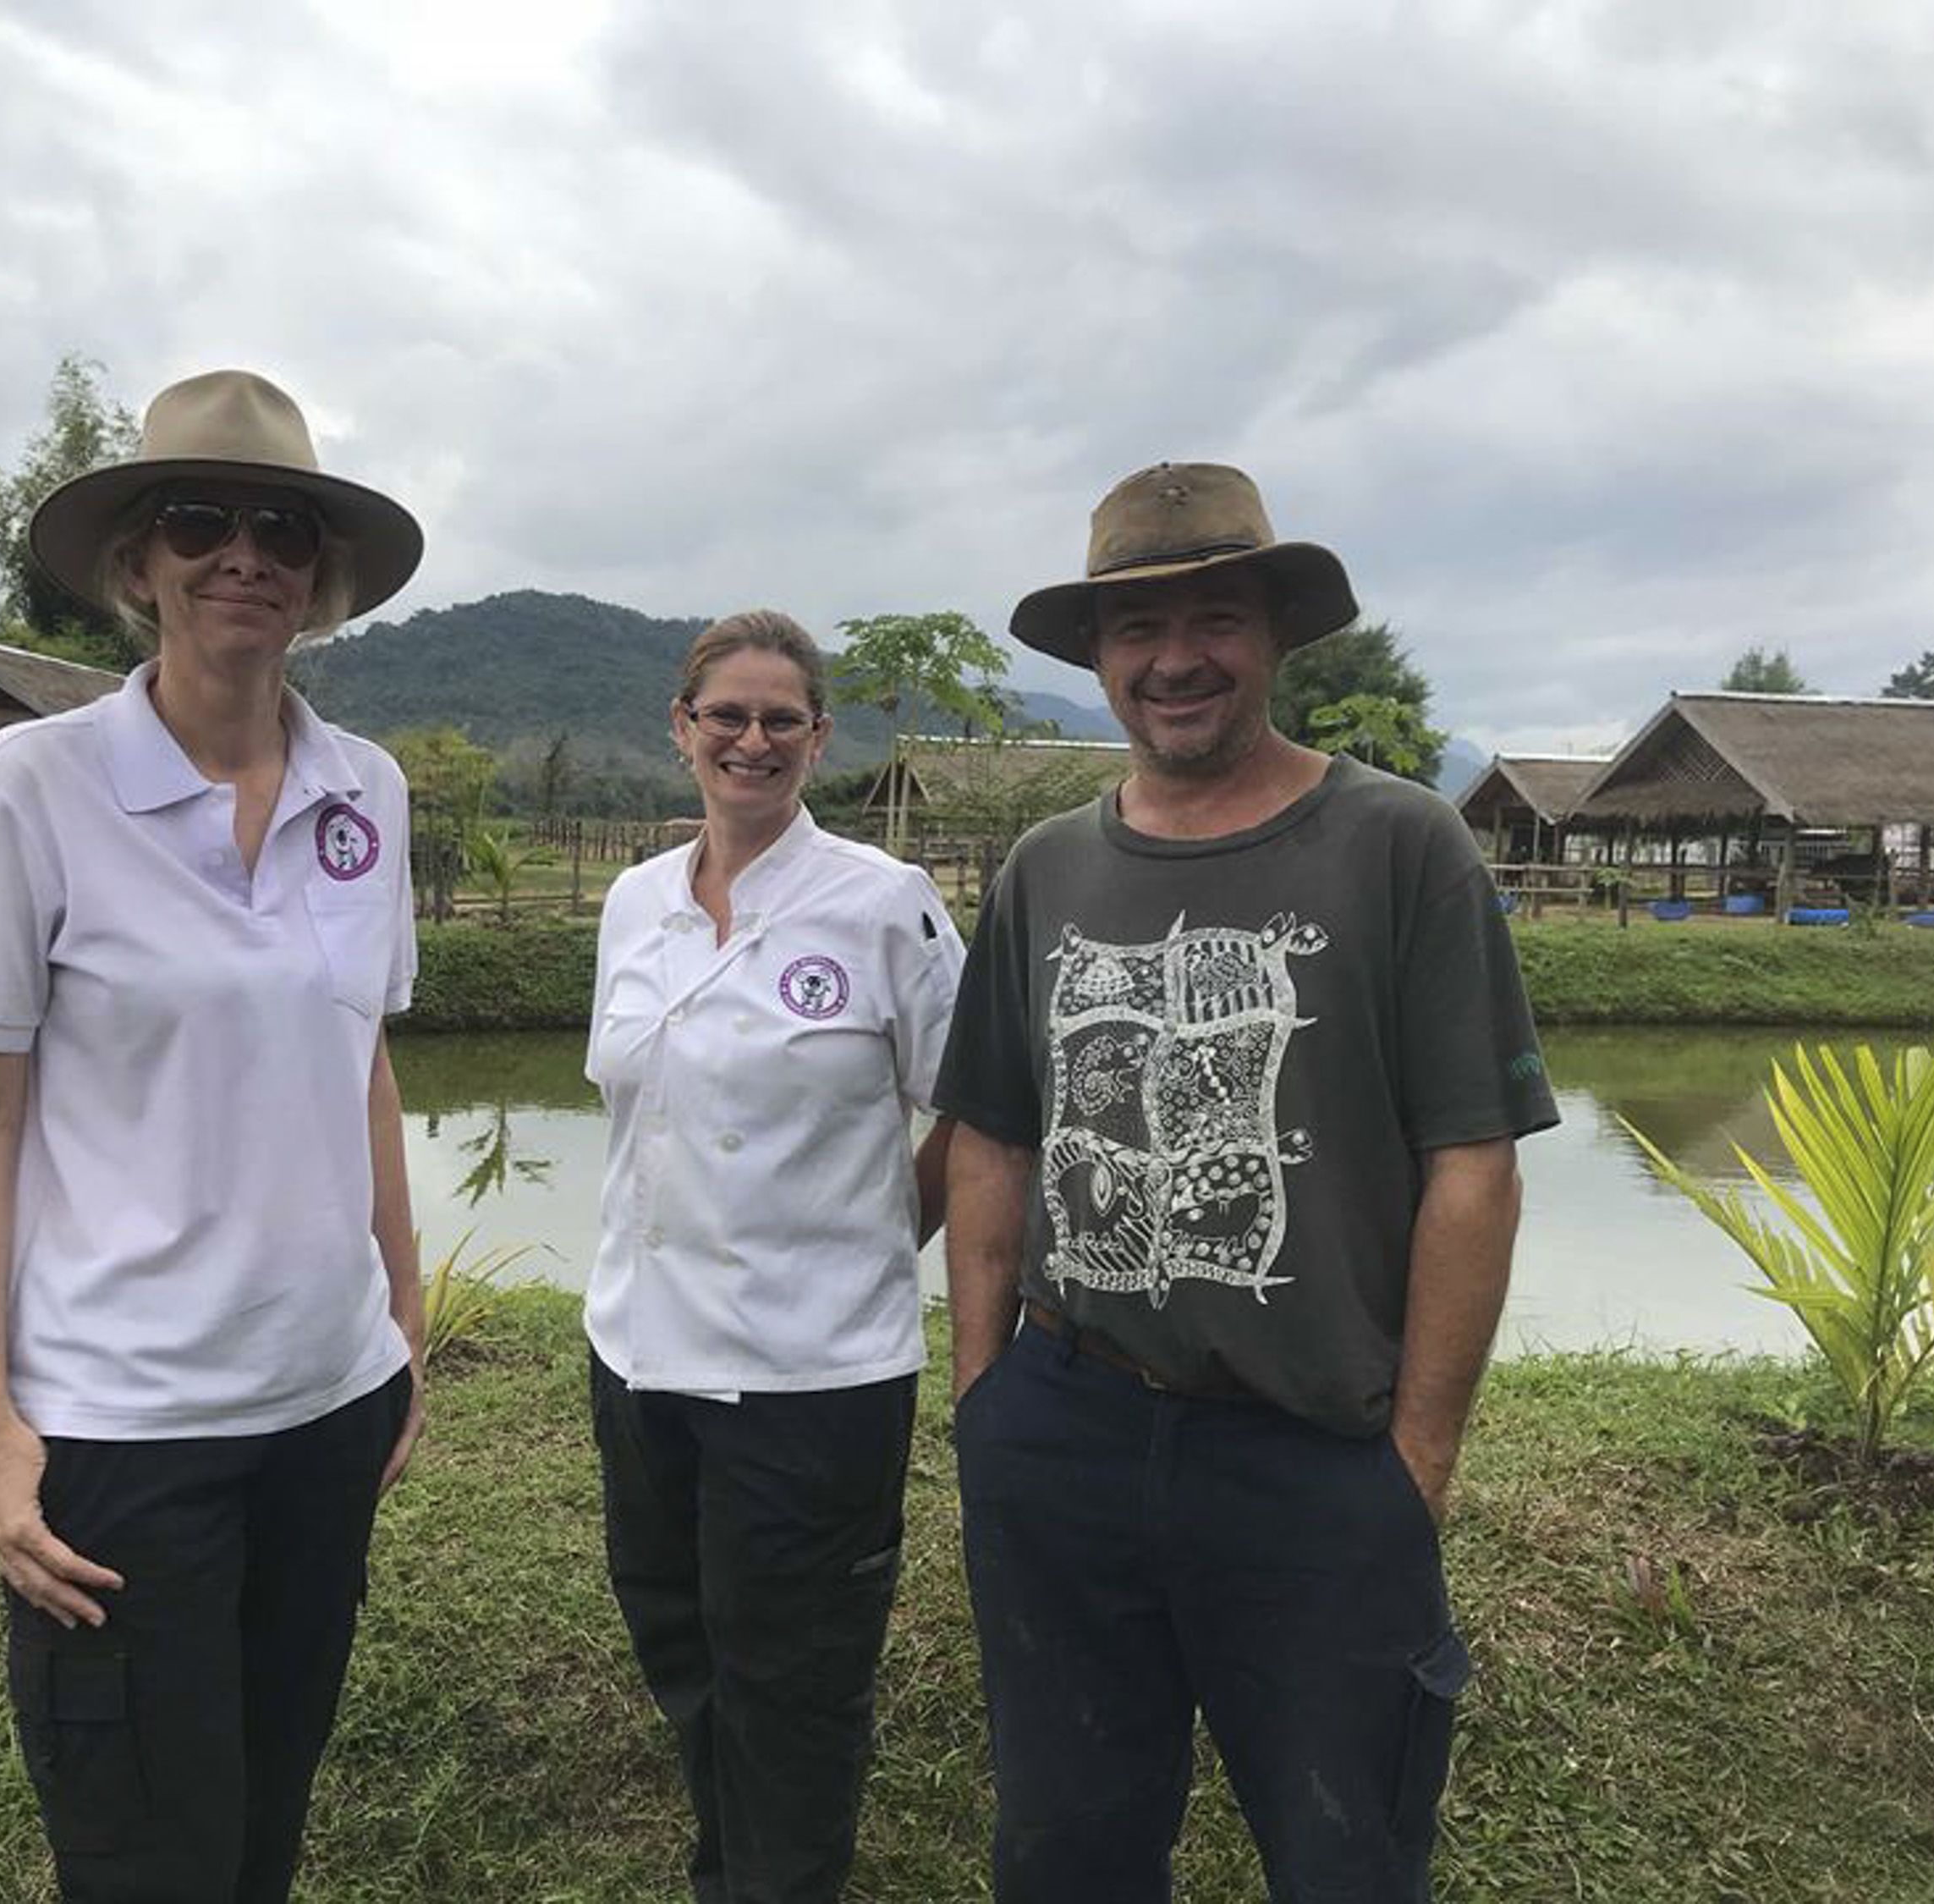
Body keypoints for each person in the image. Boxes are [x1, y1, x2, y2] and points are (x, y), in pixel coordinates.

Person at [935, 464, 1561, 1902]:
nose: (1173, 660)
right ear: (1096, 658)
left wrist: (1415, 1467)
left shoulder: (1402, 845)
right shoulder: (1045, 870)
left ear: (1276, 632)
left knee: (1347, 1858)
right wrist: (988, 1404)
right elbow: (991, 1143)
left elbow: (1472, 1168)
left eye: (1213, 615)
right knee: (1064, 1850)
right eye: (1134, 631)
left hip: (1318, 1463)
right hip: (1068, 1431)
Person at [0, 369, 429, 1901]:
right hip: (124, 1431)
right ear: (139, 562)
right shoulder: (33, 786)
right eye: (198, 518)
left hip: (324, 1416)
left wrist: (400, 1318)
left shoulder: (367, 789)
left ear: (322, 579)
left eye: (282, 525)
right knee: (146, 1851)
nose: (242, 553)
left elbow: (366, 1059)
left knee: (263, 1827)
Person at [585, 609, 964, 1904]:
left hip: (812, 1380)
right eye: (726, 716)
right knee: (682, 1642)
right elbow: (639, 1116)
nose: (752, 740)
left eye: (780, 719)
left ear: (819, 737)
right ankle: (727, 1870)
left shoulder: (881, 904)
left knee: (793, 1686)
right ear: (681, 727)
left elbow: (972, 1105)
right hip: (638, 1356)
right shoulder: (635, 900)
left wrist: (877, 1233)